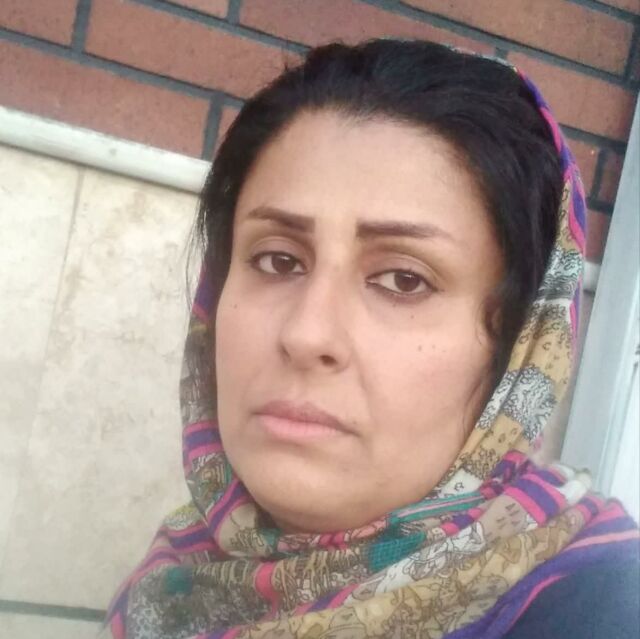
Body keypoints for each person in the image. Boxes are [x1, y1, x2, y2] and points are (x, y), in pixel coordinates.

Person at [101, 39, 639, 638]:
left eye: (404, 279)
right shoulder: (174, 582)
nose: (306, 334)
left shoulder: (600, 610)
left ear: (519, 348)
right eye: (278, 260)